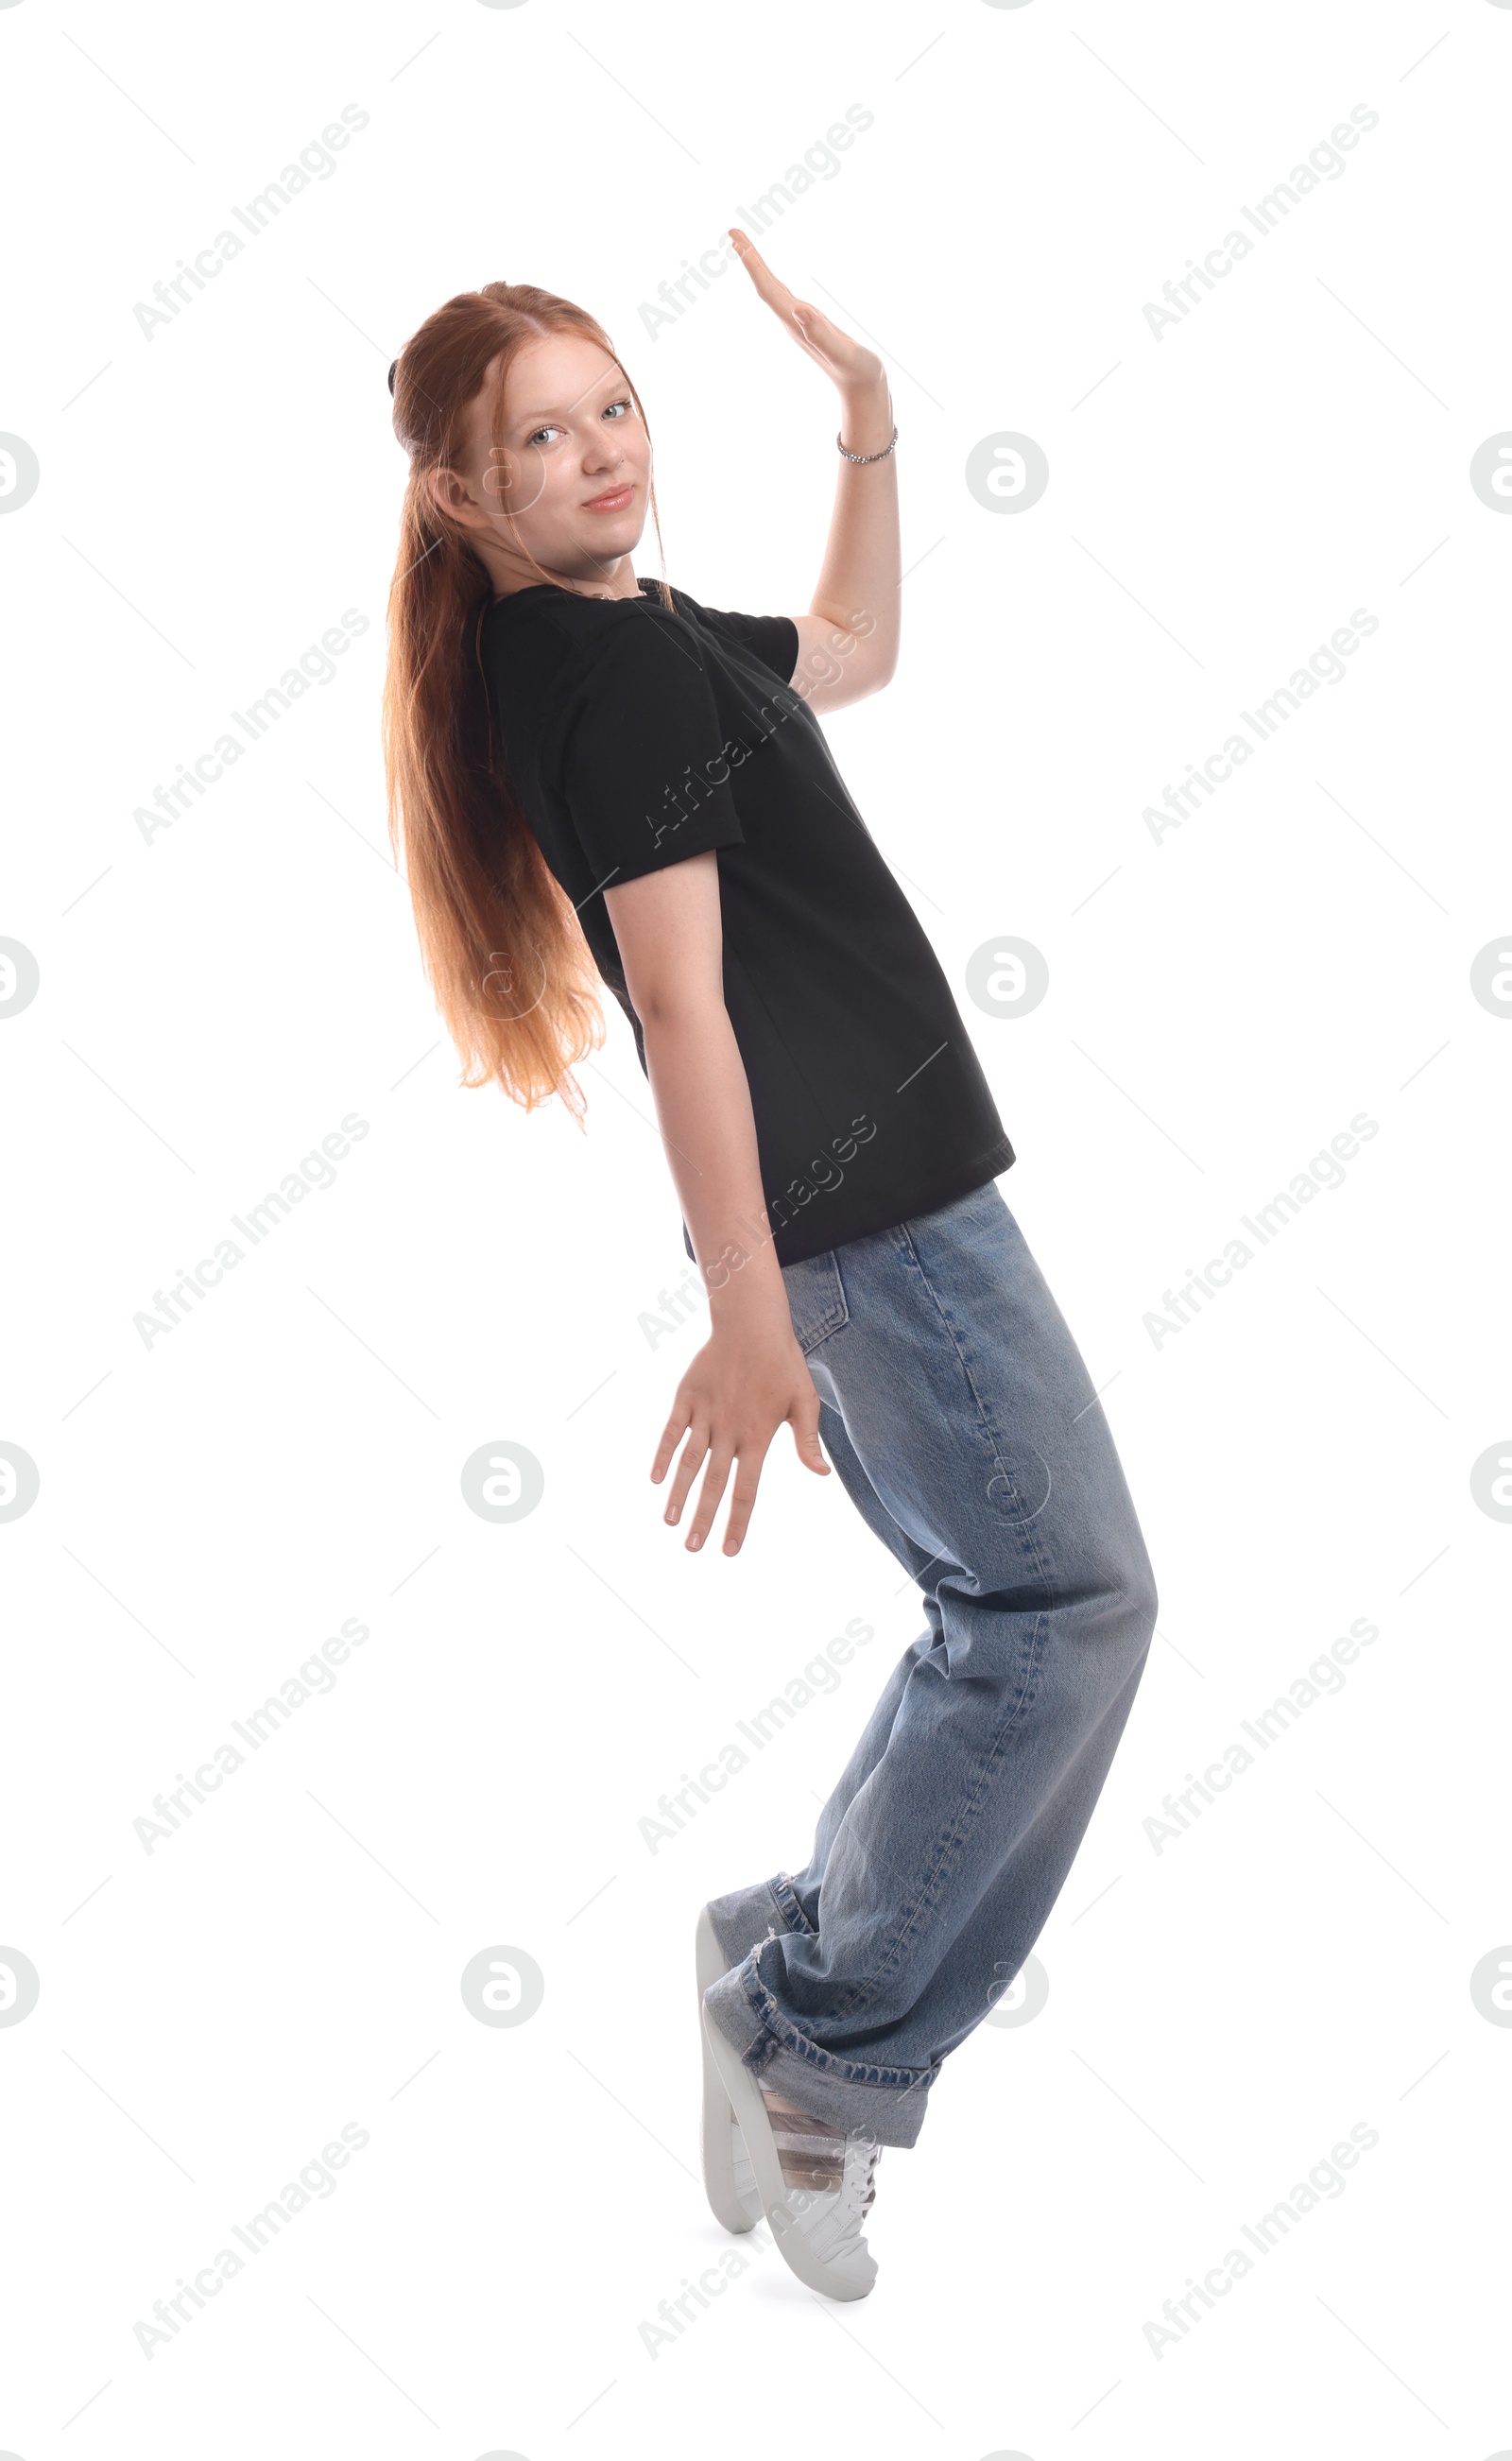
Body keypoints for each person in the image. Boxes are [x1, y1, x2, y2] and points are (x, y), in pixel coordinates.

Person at [382, 239, 1159, 2303]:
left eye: (611, 405)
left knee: (1014, 1607)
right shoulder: (609, 680)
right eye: (537, 439)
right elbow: (686, 1012)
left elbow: (848, 647)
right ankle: (813, 2053)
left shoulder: (626, 635)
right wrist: (742, 1300)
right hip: (865, 1212)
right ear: (465, 498)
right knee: (1059, 1610)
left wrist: (869, 420)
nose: (596, 452)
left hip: (885, 1196)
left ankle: (787, 1960)